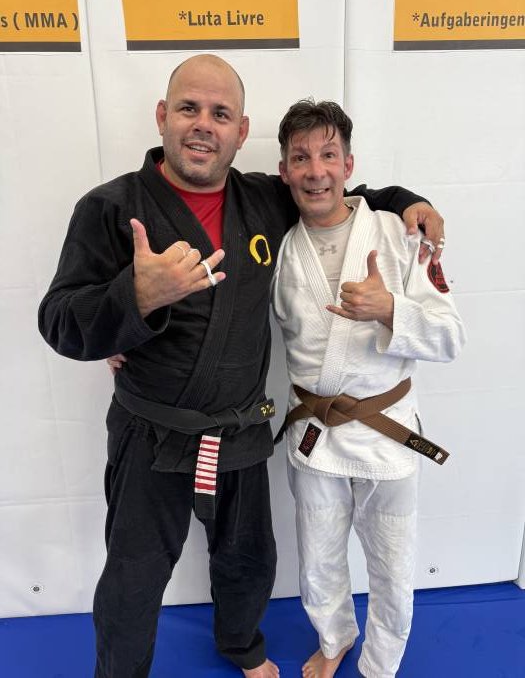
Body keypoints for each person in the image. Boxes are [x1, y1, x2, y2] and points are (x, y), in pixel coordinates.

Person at [38, 54, 446, 678]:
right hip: (151, 433)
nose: (204, 124)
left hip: (240, 429)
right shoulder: (110, 207)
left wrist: (410, 200)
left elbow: (340, 197)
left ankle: (242, 647)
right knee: (133, 577)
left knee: (249, 560)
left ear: (240, 129)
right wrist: (134, 299)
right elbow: (60, 320)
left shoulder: (263, 199)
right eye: (189, 108)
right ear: (162, 116)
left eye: (221, 113)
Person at [271, 99, 465, 678]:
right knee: (318, 558)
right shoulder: (277, 246)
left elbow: (450, 336)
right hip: (314, 431)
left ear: (349, 165)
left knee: (393, 565)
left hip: (388, 434)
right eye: (301, 158)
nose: (316, 171)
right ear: (284, 171)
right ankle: (334, 638)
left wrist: (391, 310)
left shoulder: (399, 232)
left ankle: (381, 663)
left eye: (328, 155)